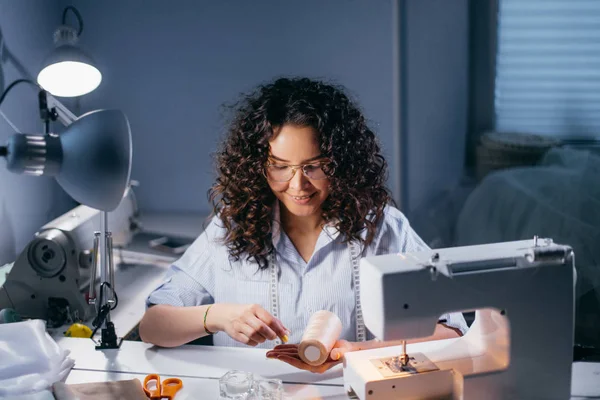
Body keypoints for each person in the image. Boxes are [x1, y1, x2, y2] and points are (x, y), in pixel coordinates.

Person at [139, 77, 468, 373]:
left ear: (342, 163)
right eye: (280, 167)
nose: (297, 185)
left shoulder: (382, 229)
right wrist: (218, 317)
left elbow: (452, 330)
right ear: (258, 165)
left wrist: (358, 352)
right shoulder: (231, 229)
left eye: (314, 167)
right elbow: (153, 325)